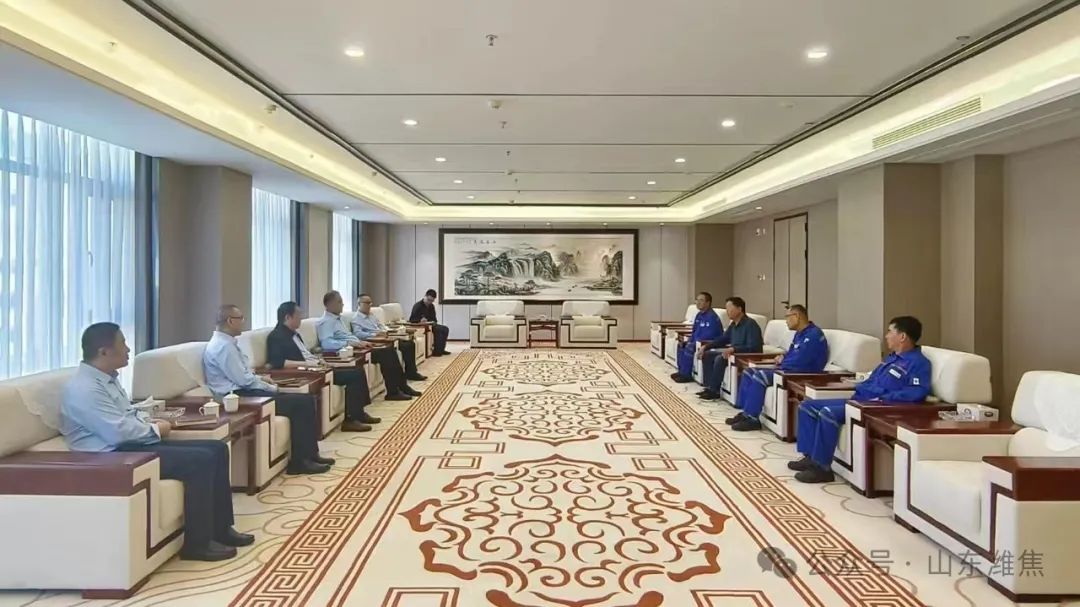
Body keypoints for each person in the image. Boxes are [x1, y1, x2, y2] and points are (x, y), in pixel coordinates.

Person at [61, 323, 254, 562]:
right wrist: (156, 429)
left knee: (216, 449)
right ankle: (198, 543)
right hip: (111, 455)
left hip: (129, 445)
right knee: (200, 460)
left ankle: (221, 528)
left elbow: (127, 415)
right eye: (123, 343)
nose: (128, 349)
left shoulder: (106, 380)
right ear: (104, 351)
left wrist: (153, 420)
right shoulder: (86, 388)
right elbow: (118, 432)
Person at [788, 316, 931, 484]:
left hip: (876, 406)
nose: (886, 336)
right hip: (859, 400)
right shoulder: (891, 358)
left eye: (890, 331)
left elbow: (916, 392)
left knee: (828, 413)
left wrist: (884, 396)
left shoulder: (919, 363)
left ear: (902, 336)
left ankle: (822, 468)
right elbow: (871, 380)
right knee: (807, 407)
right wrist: (860, 386)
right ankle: (810, 457)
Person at [204, 304, 331, 475]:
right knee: (301, 403)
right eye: (240, 318)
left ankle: (311, 455)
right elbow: (244, 381)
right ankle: (300, 462)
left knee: (305, 400)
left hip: (244, 391)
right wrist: (271, 387)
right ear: (230, 321)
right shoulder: (223, 347)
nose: (243, 322)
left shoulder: (227, 343)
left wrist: (261, 379)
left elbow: (245, 374)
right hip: (238, 397)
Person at [267, 301, 379, 433]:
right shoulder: (276, 336)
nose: (301, 318)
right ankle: (350, 420)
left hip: (316, 366)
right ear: (287, 317)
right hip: (307, 372)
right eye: (298, 315)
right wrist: (308, 364)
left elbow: (305, 353)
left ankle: (358, 414)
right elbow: (278, 362)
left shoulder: (295, 334)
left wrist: (318, 360)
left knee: (357, 372)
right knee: (354, 375)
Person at [729, 305, 829, 431]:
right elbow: (793, 353)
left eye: (787, 317)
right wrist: (783, 356)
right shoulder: (799, 334)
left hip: (801, 374)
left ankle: (752, 419)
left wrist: (782, 364)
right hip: (788, 369)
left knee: (760, 376)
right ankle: (745, 413)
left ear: (797, 316)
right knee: (749, 372)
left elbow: (801, 362)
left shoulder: (813, 335)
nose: (786, 321)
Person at [317, 290, 421, 401]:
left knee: (389, 350)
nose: (342, 304)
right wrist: (350, 343)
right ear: (330, 304)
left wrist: (359, 343)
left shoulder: (338, 319)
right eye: (339, 302)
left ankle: (402, 387)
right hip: (349, 352)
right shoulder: (326, 322)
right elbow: (326, 344)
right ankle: (393, 392)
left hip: (359, 346)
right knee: (386, 353)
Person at [698, 296, 764, 400]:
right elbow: (723, 339)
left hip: (745, 357)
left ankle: (715, 391)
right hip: (733, 354)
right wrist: (706, 346)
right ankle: (709, 387)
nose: (727, 311)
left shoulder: (751, 324)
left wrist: (734, 349)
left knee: (720, 358)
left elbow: (754, 347)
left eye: (730, 308)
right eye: (726, 309)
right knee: (708, 354)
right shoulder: (733, 325)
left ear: (739, 309)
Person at [353, 294, 426, 382]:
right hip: (375, 341)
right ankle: (403, 378)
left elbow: (380, 325)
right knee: (400, 347)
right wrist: (375, 334)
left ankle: (411, 373)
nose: (370, 305)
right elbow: (358, 334)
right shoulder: (356, 319)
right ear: (359, 304)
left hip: (385, 337)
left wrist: (386, 331)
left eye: (370, 303)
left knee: (409, 344)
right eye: (367, 303)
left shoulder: (371, 315)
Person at [670, 292, 723, 383]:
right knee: (681, 344)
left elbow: (711, 335)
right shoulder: (699, 315)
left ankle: (686, 375)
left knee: (690, 347)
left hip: (707, 343)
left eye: (701, 300)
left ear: (708, 303)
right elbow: (694, 331)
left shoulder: (712, 317)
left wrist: (695, 342)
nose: (698, 302)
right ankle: (681, 371)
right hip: (696, 341)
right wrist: (690, 340)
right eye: (697, 300)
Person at [409, 289, 450, 356]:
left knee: (445, 329)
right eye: (428, 300)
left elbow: (434, 318)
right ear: (425, 296)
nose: (429, 302)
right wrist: (420, 320)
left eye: (432, 301)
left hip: (430, 324)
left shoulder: (431, 306)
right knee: (439, 330)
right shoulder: (418, 306)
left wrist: (432, 321)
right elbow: (411, 319)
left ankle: (441, 349)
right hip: (421, 325)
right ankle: (437, 352)